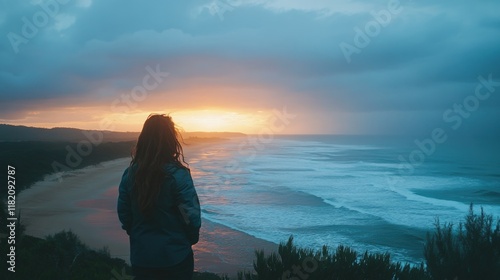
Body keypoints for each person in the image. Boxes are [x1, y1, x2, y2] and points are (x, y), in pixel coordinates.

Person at [117, 114, 201, 280]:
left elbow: (125, 216)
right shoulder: (178, 175)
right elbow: (190, 217)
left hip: (142, 259)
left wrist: (139, 236)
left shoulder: (130, 175)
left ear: (144, 140)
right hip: (175, 258)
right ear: (171, 140)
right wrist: (189, 240)